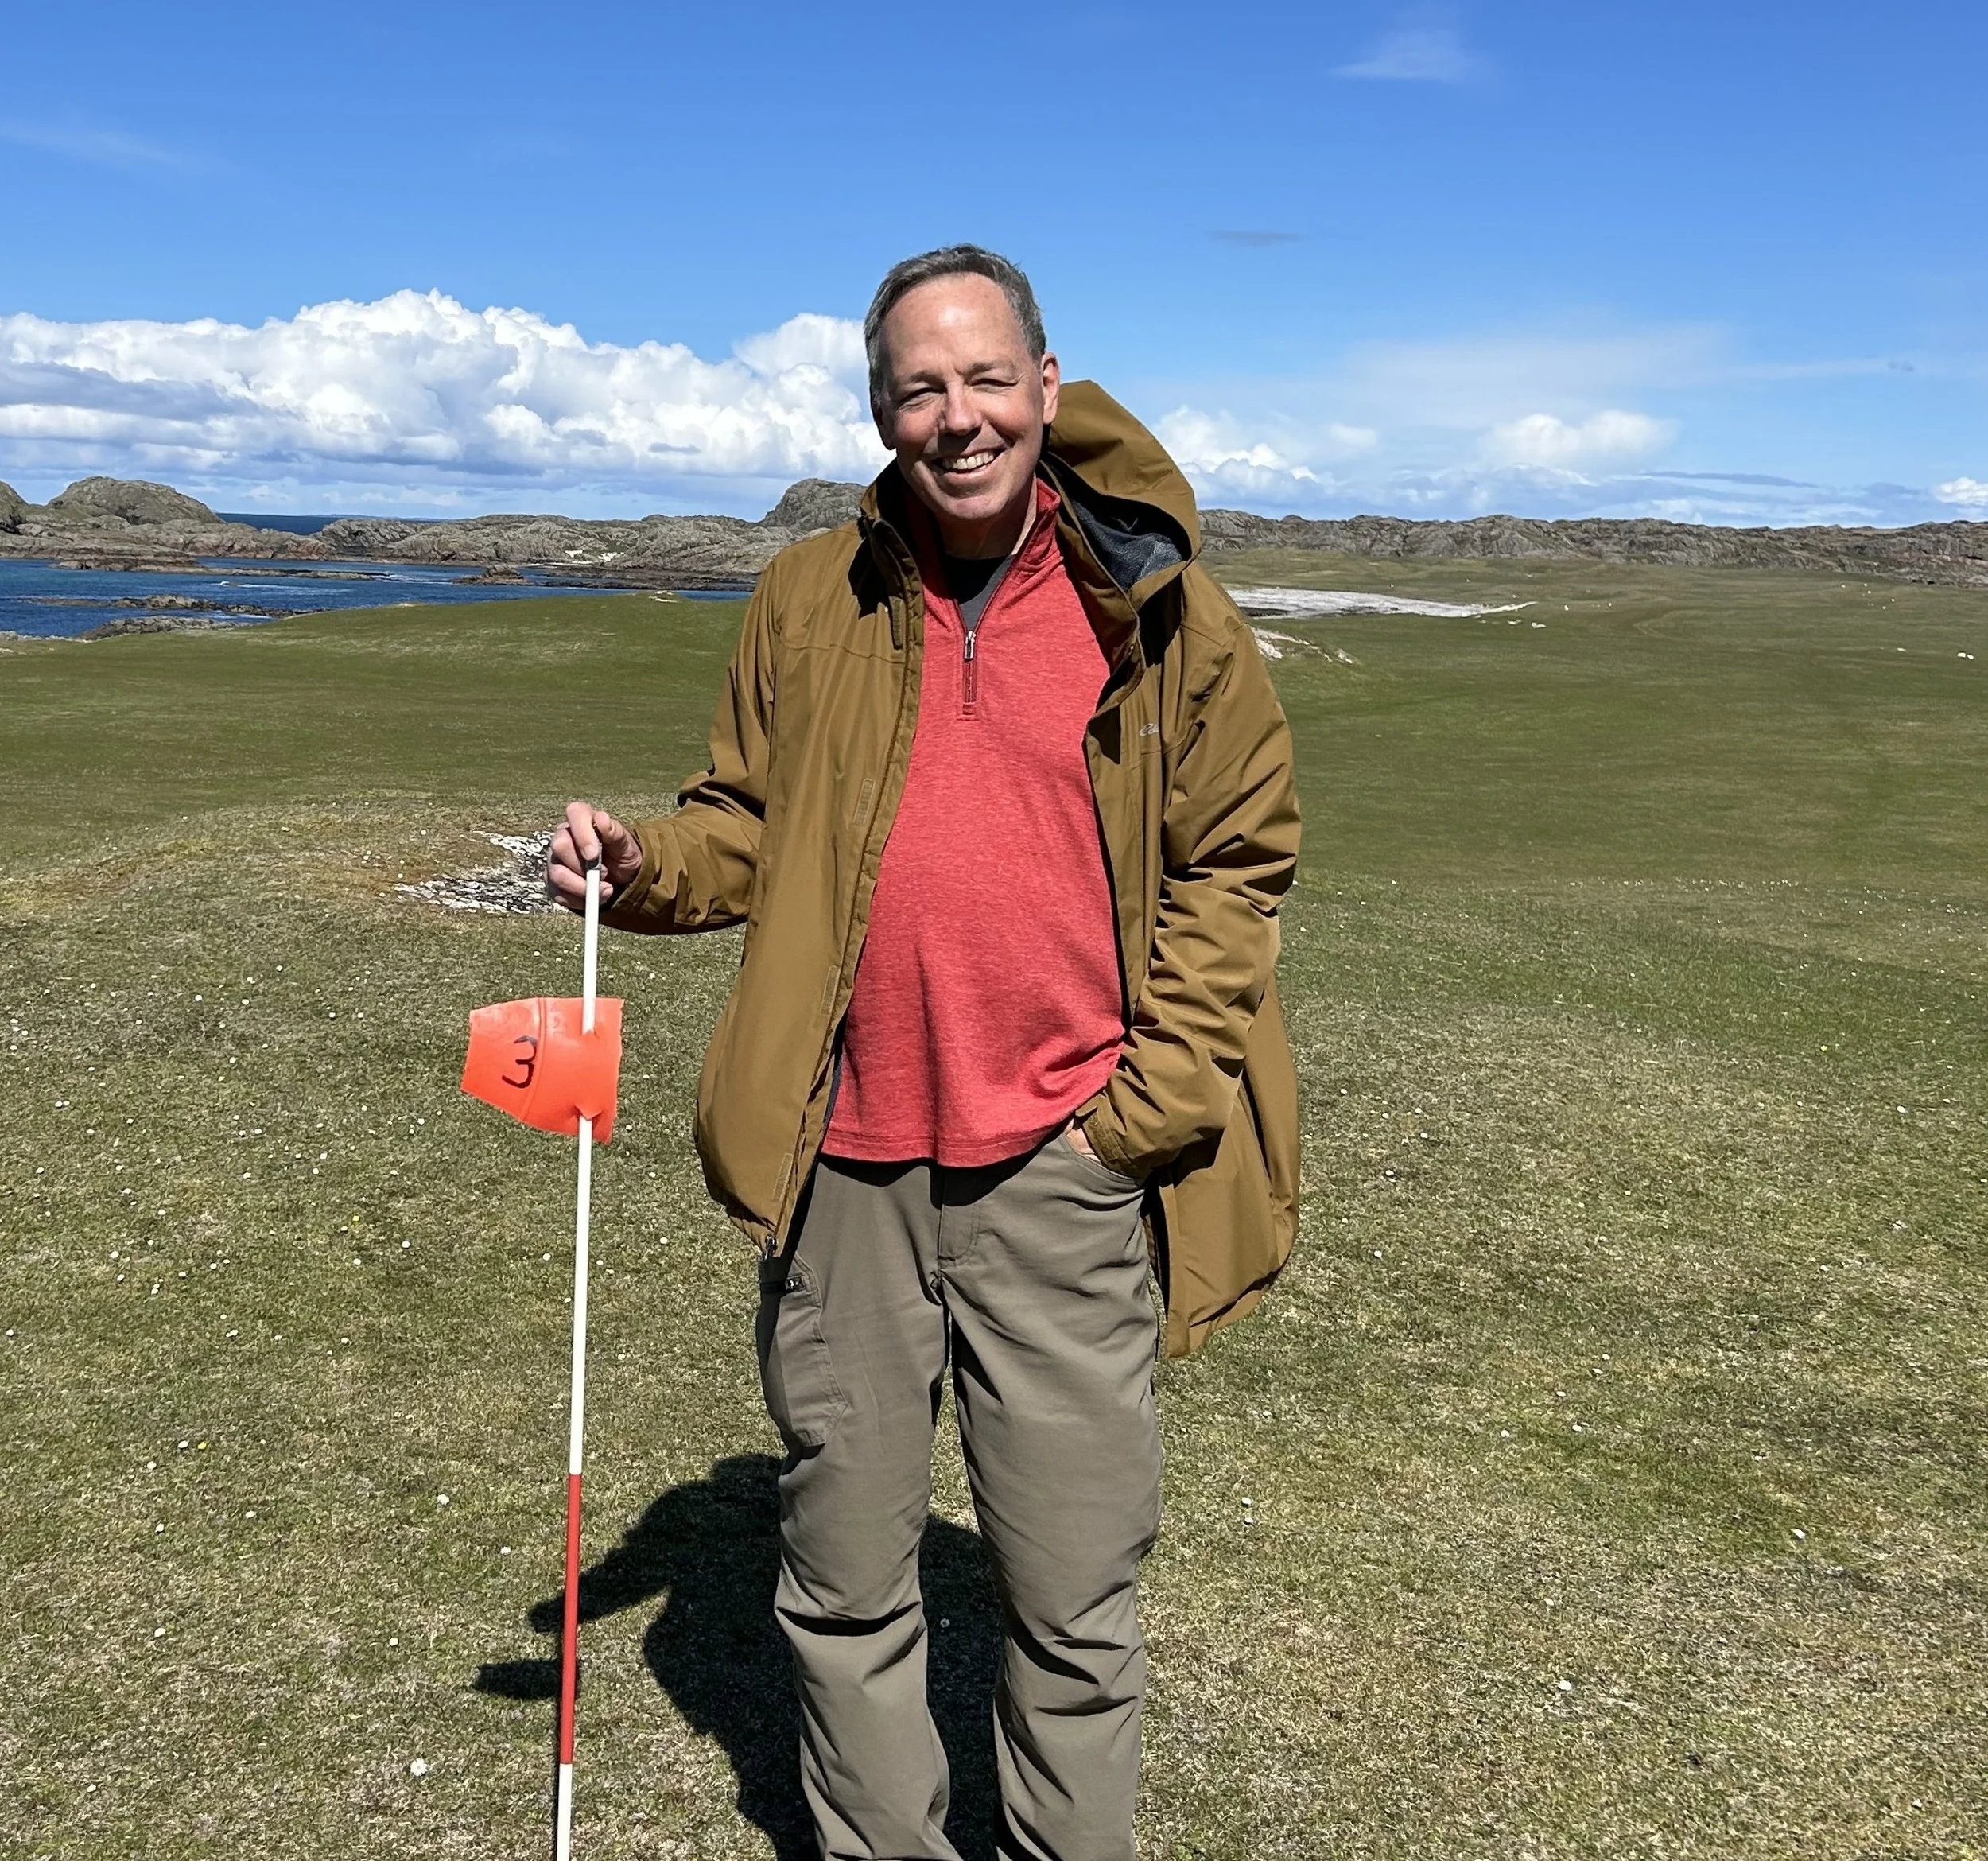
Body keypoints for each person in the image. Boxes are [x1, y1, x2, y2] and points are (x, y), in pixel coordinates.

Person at [547, 244, 1300, 1861]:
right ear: (879, 409)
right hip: (845, 1183)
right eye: (916, 388)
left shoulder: (1158, 602)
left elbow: (1238, 861)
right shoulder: (807, 598)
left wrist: (1142, 1117)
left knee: (1072, 1606)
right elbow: (741, 825)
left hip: (1062, 1174)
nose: (954, 419)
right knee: (841, 1591)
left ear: (1044, 385)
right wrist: (643, 867)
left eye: (980, 379)